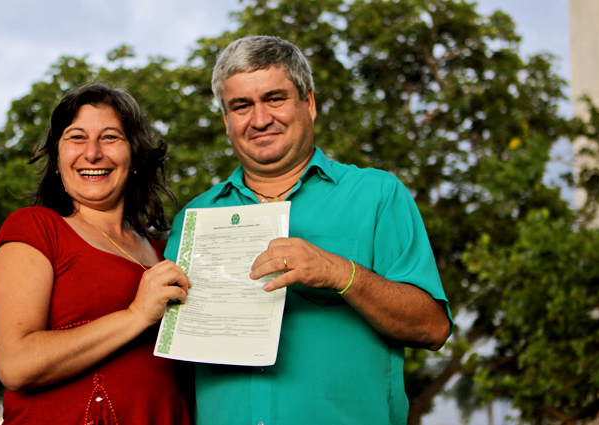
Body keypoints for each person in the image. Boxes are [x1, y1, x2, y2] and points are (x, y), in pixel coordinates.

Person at [164, 36, 453, 424]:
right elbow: (174, 363)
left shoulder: (378, 195)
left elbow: (432, 328)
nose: (260, 118)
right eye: (241, 106)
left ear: (309, 104)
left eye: (275, 99)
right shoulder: (195, 217)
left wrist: (340, 273)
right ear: (226, 120)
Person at [0, 83, 192, 425]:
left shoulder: (166, 252)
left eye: (110, 137)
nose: (93, 153)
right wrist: (136, 315)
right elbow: (16, 364)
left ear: (135, 155)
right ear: (56, 159)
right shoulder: (36, 229)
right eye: (76, 137)